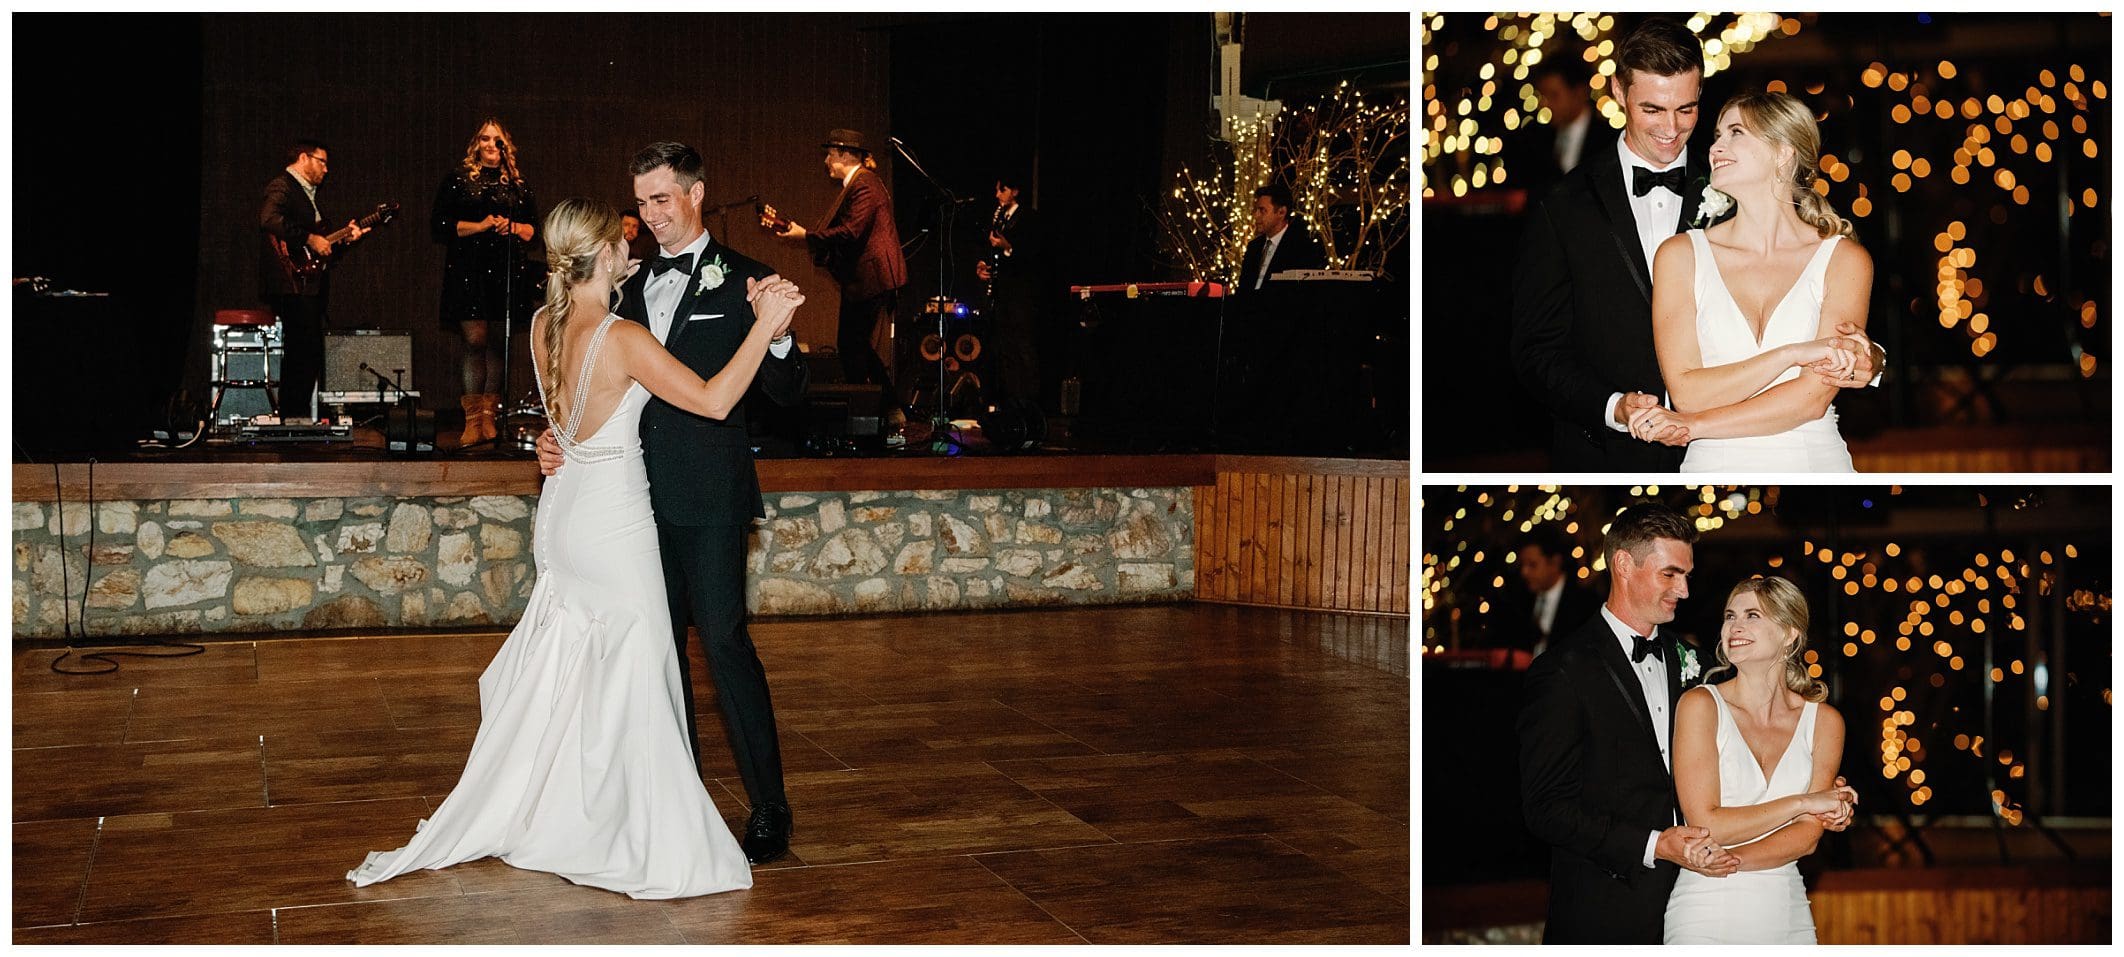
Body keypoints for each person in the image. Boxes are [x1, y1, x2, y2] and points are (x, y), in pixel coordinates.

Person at [348, 198, 805, 898]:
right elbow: (714, 402)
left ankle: (568, 806)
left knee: (577, 671)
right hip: (614, 526)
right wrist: (766, 326)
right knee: (638, 670)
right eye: (623, 237)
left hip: (562, 515)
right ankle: (635, 829)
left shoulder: (541, 324)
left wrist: (549, 437)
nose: (635, 240)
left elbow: (562, 416)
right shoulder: (620, 336)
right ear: (604, 254)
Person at [540, 142, 809, 865]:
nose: (651, 216)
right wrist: (556, 435)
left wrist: (776, 340)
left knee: (722, 642)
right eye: (642, 203)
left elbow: (788, 394)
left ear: (696, 193)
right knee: (654, 651)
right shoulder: (616, 284)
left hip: (709, 495)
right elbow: (587, 378)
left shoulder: (749, 279)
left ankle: (770, 806)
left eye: (663, 199)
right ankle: (678, 797)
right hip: (624, 500)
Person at [1509, 18, 1879, 471]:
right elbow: (1536, 349)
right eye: (1652, 110)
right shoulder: (1561, 205)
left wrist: (1869, 359)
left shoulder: (1735, 169)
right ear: (1618, 93)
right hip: (1616, 454)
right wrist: (1614, 407)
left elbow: (1827, 317)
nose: (1672, 128)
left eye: (1686, 109)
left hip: (1780, 449)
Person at [1515, 502, 1734, 943]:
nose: (1685, 590)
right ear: (1623, 565)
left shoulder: (1696, 663)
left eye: (1687, 575)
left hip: (1700, 903)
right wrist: (1655, 845)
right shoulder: (1562, 670)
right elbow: (1546, 810)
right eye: (1670, 574)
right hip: (1605, 909)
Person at [1624, 90, 1873, 472]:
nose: (1716, 146)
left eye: (1736, 133)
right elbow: (1687, 392)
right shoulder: (1680, 256)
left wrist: (1695, 425)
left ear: (1784, 152)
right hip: (1712, 464)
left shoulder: (1844, 260)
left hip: (1814, 464)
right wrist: (1791, 355)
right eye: (1718, 135)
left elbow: (1811, 398)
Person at [1665, 576, 1855, 943]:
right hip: (1704, 910)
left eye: (1753, 615)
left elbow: (1806, 837)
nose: (1735, 626)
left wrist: (1724, 861)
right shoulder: (1701, 705)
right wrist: (1803, 802)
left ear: (1790, 634)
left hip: (1785, 911)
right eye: (1730, 615)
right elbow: (1706, 823)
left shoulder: (1824, 722)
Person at [760, 128, 906, 391]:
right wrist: (802, 234)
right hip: (864, 281)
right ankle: (886, 405)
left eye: (830, 154)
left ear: (846, 155)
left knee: (852, 347)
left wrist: (805, 235)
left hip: (871, 279)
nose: (826, 161)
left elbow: (851, 231)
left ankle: (871, 411)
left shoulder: (864, 183)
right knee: (855, 345)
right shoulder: (859, 183)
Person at [432, 118, 540, 446]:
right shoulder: (458, 180)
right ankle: (472, 420)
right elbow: (440, 225)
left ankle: (490, 419)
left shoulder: (517, 186)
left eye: (497, 140)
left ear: (506, 145)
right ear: (476, 144)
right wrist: (480, 226)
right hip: (469, 270)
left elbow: (533, 230)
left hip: (505, 270)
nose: (491, 145)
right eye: (484, 139)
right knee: (475, 340)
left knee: (496, 342)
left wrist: (514, 227)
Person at [259, 139, 366, 419]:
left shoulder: (307, 195)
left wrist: (347, 239)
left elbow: (318, 249)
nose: (326, 169)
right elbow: (269, 218)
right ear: (304, 158)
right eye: (322, 161)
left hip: (307, 285)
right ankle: (294, 416)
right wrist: (309, 238)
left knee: (307, 351)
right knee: (302, 352)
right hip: (291, 284)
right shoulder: (283, 186)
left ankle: (296, 416)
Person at [974, 170, 1046, 409]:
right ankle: (1009, 401)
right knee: (1003, 349)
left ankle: (1029, 403)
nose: (997, 195)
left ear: (1015, 191)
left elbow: (1032, 255)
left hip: (1022, 295)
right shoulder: (999, 217)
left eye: (1001, 190)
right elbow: (991, 252)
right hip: (1001, 294)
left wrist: (1008, 247)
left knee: (1023, 348)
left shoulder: (1029, 218)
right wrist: (983, 265)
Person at [1505, 524, 1599, 660]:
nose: (1524, 572)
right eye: (1522, 565)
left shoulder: (1585, 603)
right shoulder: (1519, 599)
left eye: (1532, 565)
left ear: (1555, 563)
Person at [1236, 182, 1326, 293]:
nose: (1256, 215)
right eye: (1256, 210)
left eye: (1262, 210)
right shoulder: (1254, 247)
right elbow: (1243, 290)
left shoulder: (1301, 247)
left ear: (1281, 212)